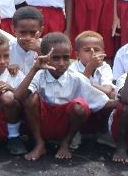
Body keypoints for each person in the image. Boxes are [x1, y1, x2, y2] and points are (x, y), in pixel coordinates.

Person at [18, 32, 110, 161]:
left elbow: (102, 101)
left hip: (65, 127)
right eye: (55, 58)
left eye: (66, 58)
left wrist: (123, 103)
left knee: (81, 106)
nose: (61, 63)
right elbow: (19, 96)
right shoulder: (39, 75)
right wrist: (34, 69)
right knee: (30, 98)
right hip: (42, 125)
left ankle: (66, 143)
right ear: (44, 57)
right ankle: (39, 143)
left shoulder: (76, 77)